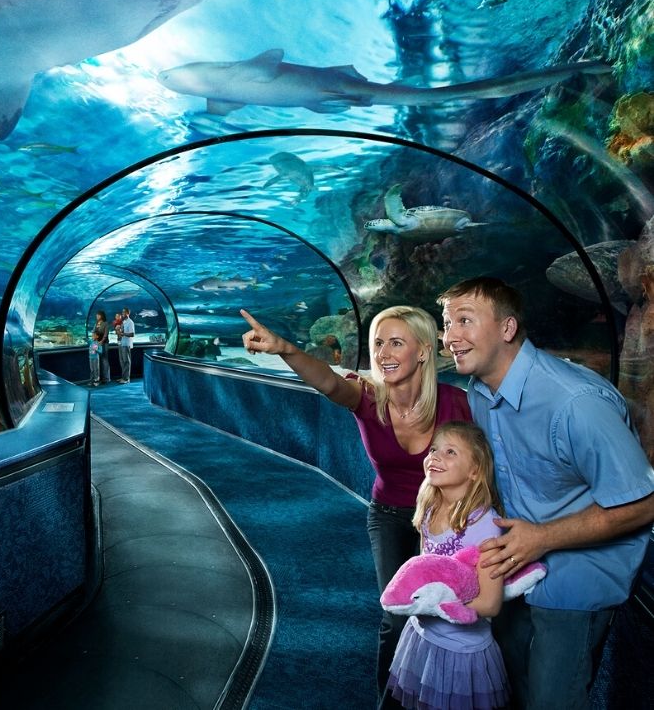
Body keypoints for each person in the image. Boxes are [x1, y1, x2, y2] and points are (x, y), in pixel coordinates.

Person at [437, 276, 654, 709]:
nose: (450, 337)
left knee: (551, 700)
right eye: (445, 324)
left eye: (464, 320)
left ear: (507, 328)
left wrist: (542, 538)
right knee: (505, 681)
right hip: (517, 563)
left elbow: (643, 503)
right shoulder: (478, 392)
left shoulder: (575, 402)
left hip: (579, 570)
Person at [240, 305, 472, 706]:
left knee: (446, 616)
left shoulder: (457, 403)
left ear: (422, 352)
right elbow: (329, 383)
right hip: (389, 515)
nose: (383, 353)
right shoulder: (367, 397)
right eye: (378, 343)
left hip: (446, 519)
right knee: (397, 613)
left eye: (396, 343)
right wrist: (283, 348)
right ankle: (391, 699)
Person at [386, 420, 509, 710]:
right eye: (434, 449)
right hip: (421, 637)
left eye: (451, 452)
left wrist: (437, 605)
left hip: (460, 652)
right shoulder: (428, 507)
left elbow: (491, 604)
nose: (436, 456)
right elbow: (422, 568)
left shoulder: (485, 525)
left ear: (475, 471)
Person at [88, 310, 110, 387]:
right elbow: (93, 332)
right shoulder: (96, 323)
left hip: (104, 343)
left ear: (101, 316)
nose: (97, 316)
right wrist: (93, 339)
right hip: (97, 343)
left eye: (98, 315)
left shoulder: (106, 323)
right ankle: (97, 378)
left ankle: (106, 378)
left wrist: (102, 341)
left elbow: (106, 334)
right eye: (96, 315)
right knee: (97, 361)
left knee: (104, 360)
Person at [118, 307, 135, 383]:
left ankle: (126, 379)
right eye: (122, 312)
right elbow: (121, 332)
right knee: (122, 361)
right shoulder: (124, 322)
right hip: (121, 343)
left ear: (128, 313)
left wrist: (123, 333)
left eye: (124, 312)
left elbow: (132, 334)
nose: (122, 314)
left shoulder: (130, 322)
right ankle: (123, 377)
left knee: (126, 361)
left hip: (126, 344)